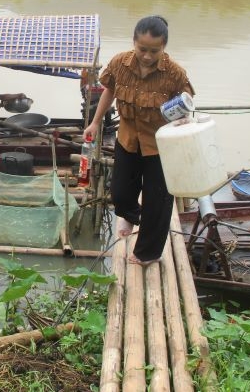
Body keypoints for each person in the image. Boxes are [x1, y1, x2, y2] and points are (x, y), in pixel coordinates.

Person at [83, 15, 194, 266]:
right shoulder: (120, 63)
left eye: (154, 51)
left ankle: (148, 253)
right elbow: (109, 90)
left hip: (160, 144)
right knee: (120, 192)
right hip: (128, 137)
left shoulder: (174, 72)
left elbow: (187, 99)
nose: (147, 55)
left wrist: (184, 116)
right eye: (142, 49)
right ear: (134, 42)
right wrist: (95, 121)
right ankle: (130, 215)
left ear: (163, 47)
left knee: (158, 201)